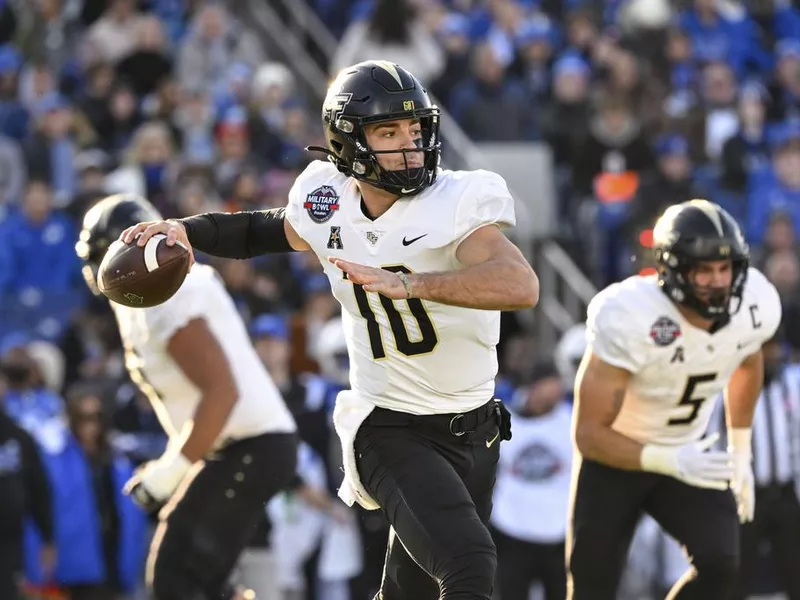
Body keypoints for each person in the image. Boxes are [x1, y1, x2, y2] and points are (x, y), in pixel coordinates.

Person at [121, 60, 539, 599]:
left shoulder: (456, 200)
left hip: (474, 427)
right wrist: (187, 229)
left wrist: (415, 285)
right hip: (391, 426)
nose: (410, 146)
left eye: (416, 130)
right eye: (389, 132)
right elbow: (267, 229)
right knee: (469, 565)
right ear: (348, 142)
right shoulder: (328, 198)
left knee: (409, 591)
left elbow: (519, 283)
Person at [75, 194, 298, 600]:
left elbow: (222, 392)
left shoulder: (166, 292)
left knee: (175, 580)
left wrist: (169, 472)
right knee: (205, 584)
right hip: (243, 447)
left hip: (249, 445)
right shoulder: (149, 300)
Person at [568, 199, 781, 599]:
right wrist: (668, 459)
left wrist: (740, 448)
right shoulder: (630, 313)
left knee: (722, 565)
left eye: (725, 268)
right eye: (704, 269)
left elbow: (748, 360)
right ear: (673, 269)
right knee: (590, 587)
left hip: (688, 450)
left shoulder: (755, 303)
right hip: (615, 456)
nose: (719, 281)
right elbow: (589, 435)